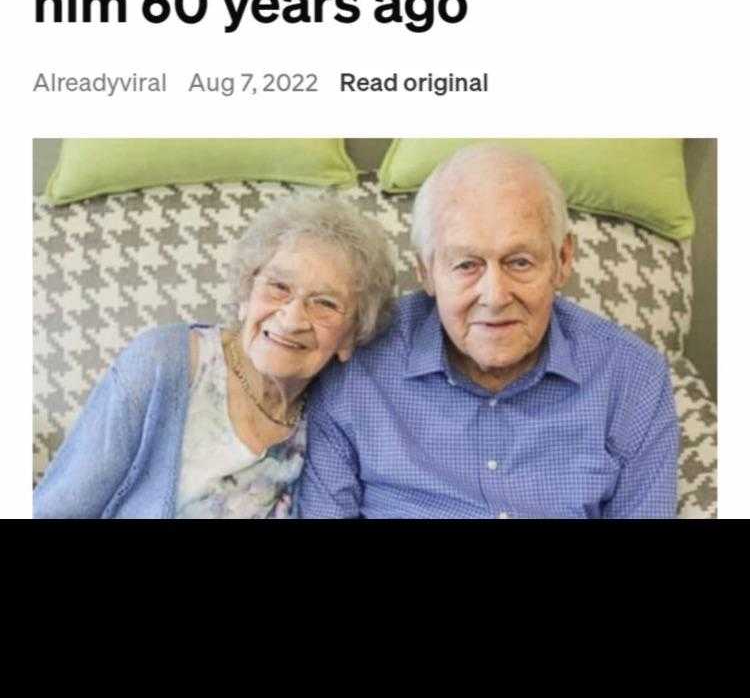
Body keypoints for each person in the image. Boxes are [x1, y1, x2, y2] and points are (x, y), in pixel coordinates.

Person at [296, 145, 680, 518]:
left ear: (562, 261)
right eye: (466, 265)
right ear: (426, 272)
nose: (495, 297)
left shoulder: (634, 379)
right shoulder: (358, 362)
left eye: (520, 262)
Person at [34, 197, 395, 518]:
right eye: (279, 287)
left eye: (325, 303)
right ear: (245, 294)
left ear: (351, 335)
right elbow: (61, 506)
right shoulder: (163, 364)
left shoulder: (335, 417)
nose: (293, 318)